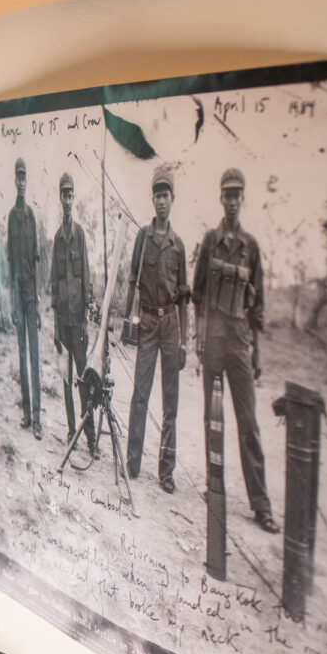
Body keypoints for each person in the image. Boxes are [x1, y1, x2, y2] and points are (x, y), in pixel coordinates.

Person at [193, 167, 277, 534]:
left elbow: (257, 308)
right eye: (226, 194)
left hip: (240, 343)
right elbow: (197, 295)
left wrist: (257, 354)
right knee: (213, 421)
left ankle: (261, 505)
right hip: (212, 343)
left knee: (249, 425)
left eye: (236, 195)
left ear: (243, 199)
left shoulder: (252, 247)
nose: (231, 201)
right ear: (220, 198)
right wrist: (198, 336)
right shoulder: (210, 241)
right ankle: (215, 489)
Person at [124, 167, 189, 493]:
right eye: (157, 194)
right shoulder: (142, 237)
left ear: (172, 199)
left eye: (166, 195)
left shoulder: (178, 246)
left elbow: (184, 298)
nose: (161, 200)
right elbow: (133, 280)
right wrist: (126, 319)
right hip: (148, 323)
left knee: (170, 402)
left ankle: (166, 471)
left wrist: (185, 343)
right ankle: (132, 462)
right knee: (140, 395)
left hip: (171, 327)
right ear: (152, 198)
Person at [51, 172, 98, 457]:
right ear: (60, 198)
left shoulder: (79, 234)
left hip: (78, 322)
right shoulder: (57, 238)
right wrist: (57, 328)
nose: (67, 200)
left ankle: (90, 437)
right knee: (66, 380)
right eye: (64, 195)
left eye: (71, 195)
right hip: (63, 322)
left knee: (84, 380)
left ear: (74, 198)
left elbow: (87, 275)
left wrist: (85, 317)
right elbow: (56, 285)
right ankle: (72, 431)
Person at [6, 157, 42, 439]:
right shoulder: (12, 216)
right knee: (21, 356)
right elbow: (9, 262)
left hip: (31, 293)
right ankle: (27, 415)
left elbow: (36, 261)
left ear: (27, 181)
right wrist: (11, 302)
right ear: (14, 181)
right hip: (18, 293)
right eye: (18, 177)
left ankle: (38, 418)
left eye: (24, 177)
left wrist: (38, 302)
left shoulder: (31, 216)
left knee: (34, 355)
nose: (21, 182)